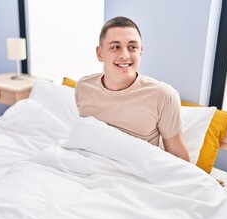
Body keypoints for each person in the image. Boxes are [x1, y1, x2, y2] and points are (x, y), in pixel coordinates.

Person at [75, 16, 190, 162]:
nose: (125, 55)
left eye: (132, 47)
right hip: (88, 168)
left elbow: (175, 150)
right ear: (100, 53)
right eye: (115, 47)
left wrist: (196, 179)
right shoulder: (84, 88)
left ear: (140, 51)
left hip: (136, 175)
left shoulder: (163, 95)